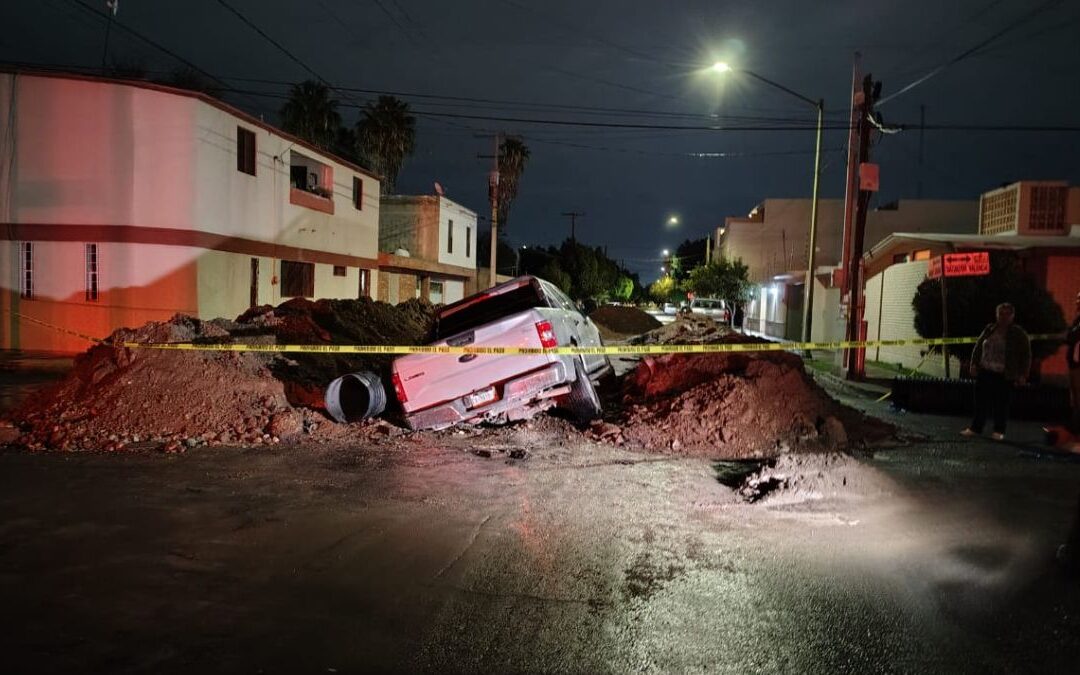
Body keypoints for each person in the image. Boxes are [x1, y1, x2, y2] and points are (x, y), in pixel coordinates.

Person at [961, 302, 1031, 441]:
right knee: (981, 402)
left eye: (1007, 314)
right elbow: (979, 346)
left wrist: (1023, 374)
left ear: (1012, 316)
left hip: (1004, 374)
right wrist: (974, 364)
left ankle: (999, 430)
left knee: (1002, 403)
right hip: (985, 370)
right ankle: (976, 428)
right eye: (1001, 314)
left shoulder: (1018, 334)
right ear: (996, 315)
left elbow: (1026, 355)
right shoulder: (989, 329)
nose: (1003, 317)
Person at [1067, 290, 1080, 434]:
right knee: (1075, 399)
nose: (1077, 302)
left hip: (1078, 365)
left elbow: (1072, 335)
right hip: (1074, 364)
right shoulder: (1078, 319)